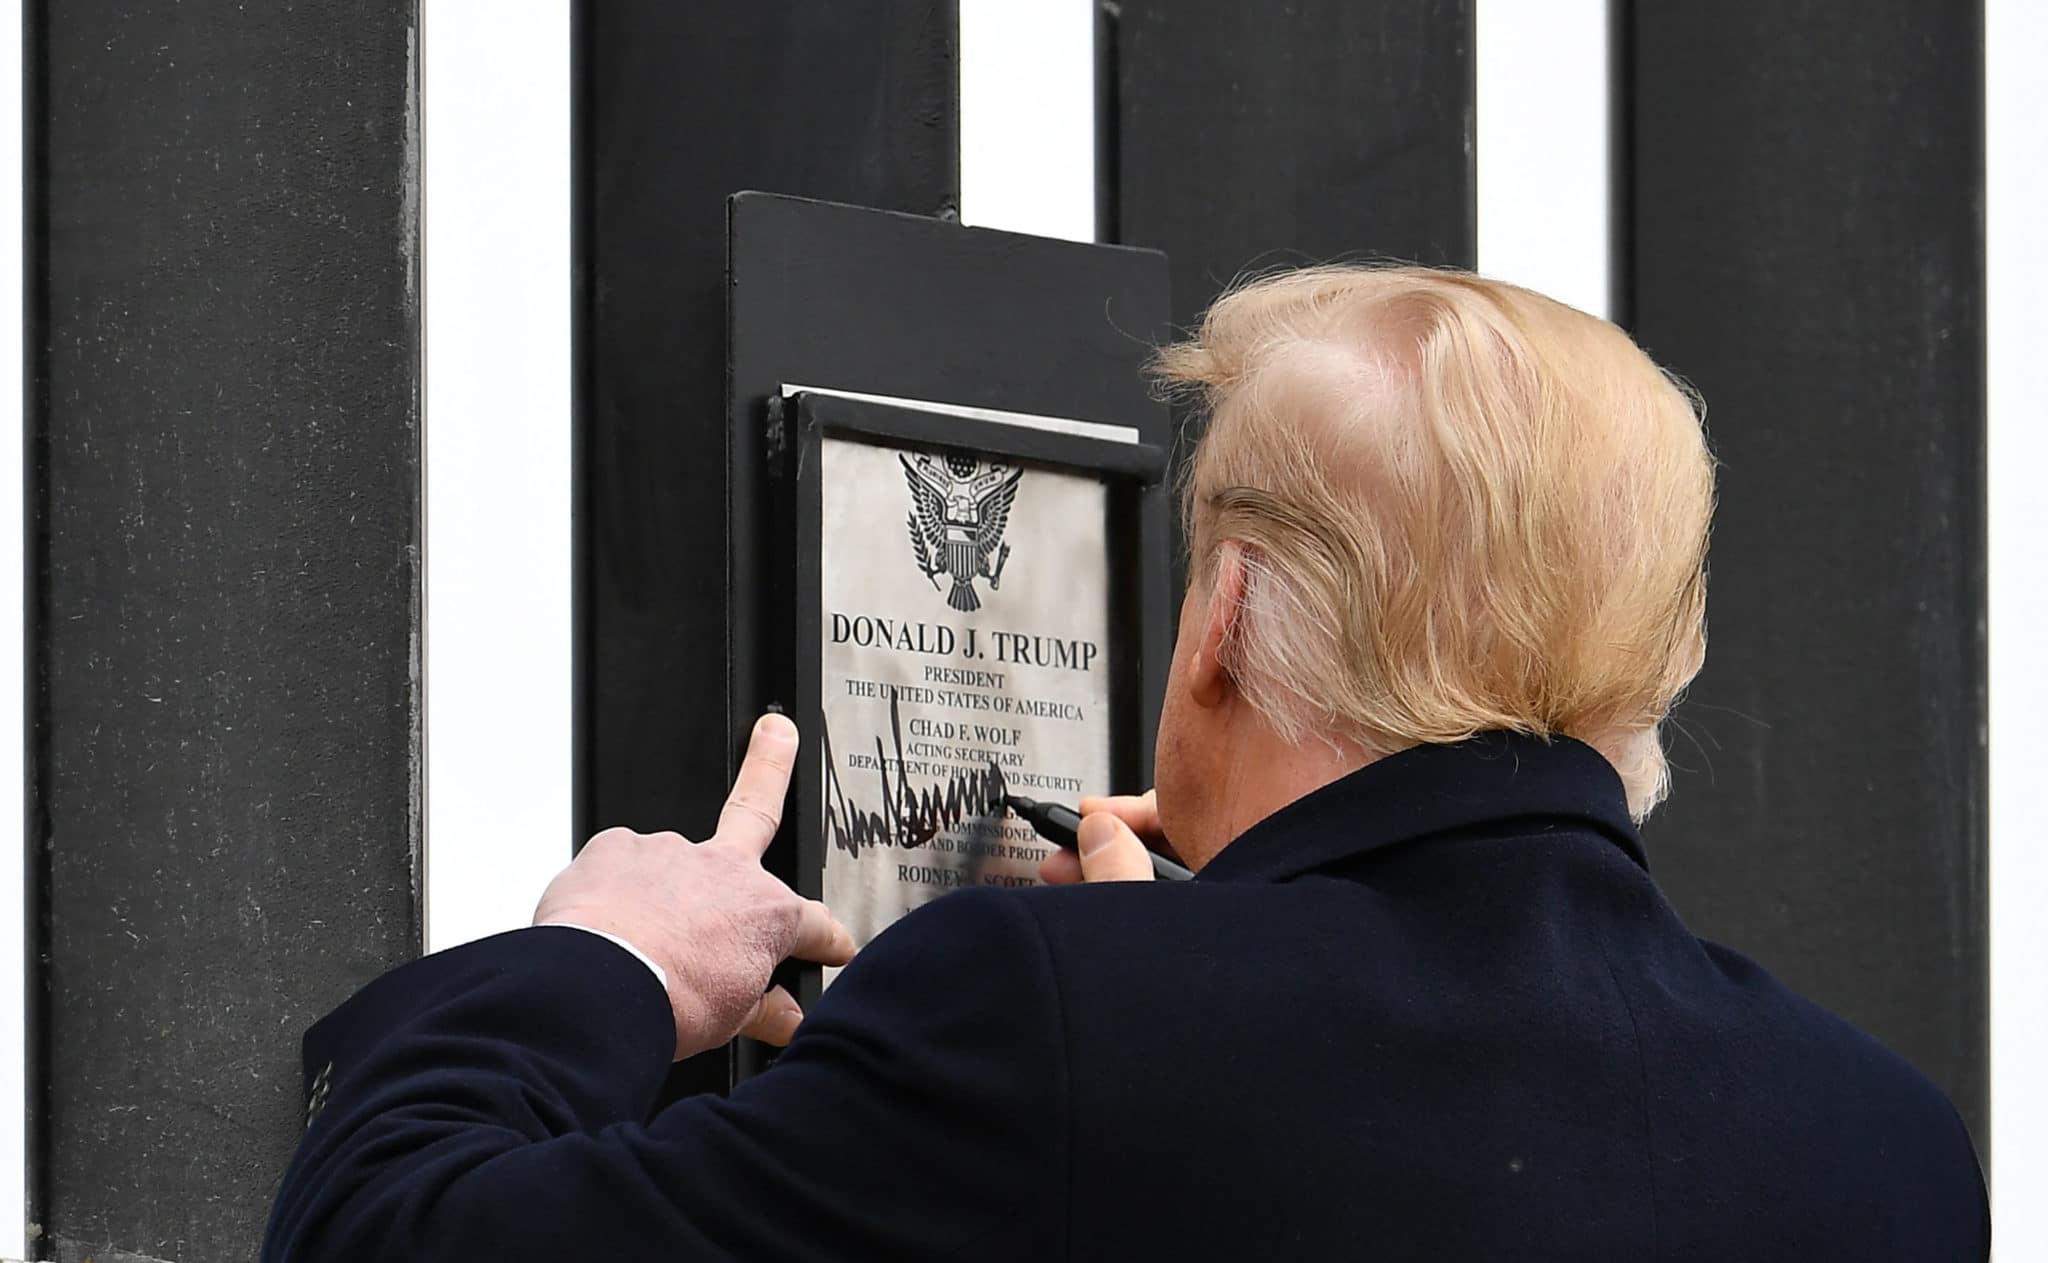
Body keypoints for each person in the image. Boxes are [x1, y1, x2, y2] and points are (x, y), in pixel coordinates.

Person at [262, 265, 1989, 1261]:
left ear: (1222, 614)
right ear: (1652, 666)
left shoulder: (1057, 1021)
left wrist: (600, 965)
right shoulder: (1892, 1155)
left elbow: (391, 1243)